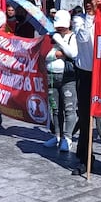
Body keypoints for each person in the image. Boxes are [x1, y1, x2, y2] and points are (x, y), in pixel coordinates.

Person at [71, 0, 101, 176]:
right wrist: (91, 17)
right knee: (84, 118)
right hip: (85, 73)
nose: (88, 4)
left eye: (91, 0)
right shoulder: (79, 19)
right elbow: (82, 38)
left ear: (99, 0)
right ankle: (85, 158)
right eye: (85, 1)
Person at [44, 9, 78, 152]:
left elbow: (73, 53)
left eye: (63, 26)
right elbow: (45, 55)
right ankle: (57, 135)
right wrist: (57, 54)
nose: (60, 28)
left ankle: (68, 138)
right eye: (58, 26)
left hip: (68, 77)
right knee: (56, 109)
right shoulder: (49, 36)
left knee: (69, 109)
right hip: (51, 75)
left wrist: (59, 41)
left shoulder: (72, 37)